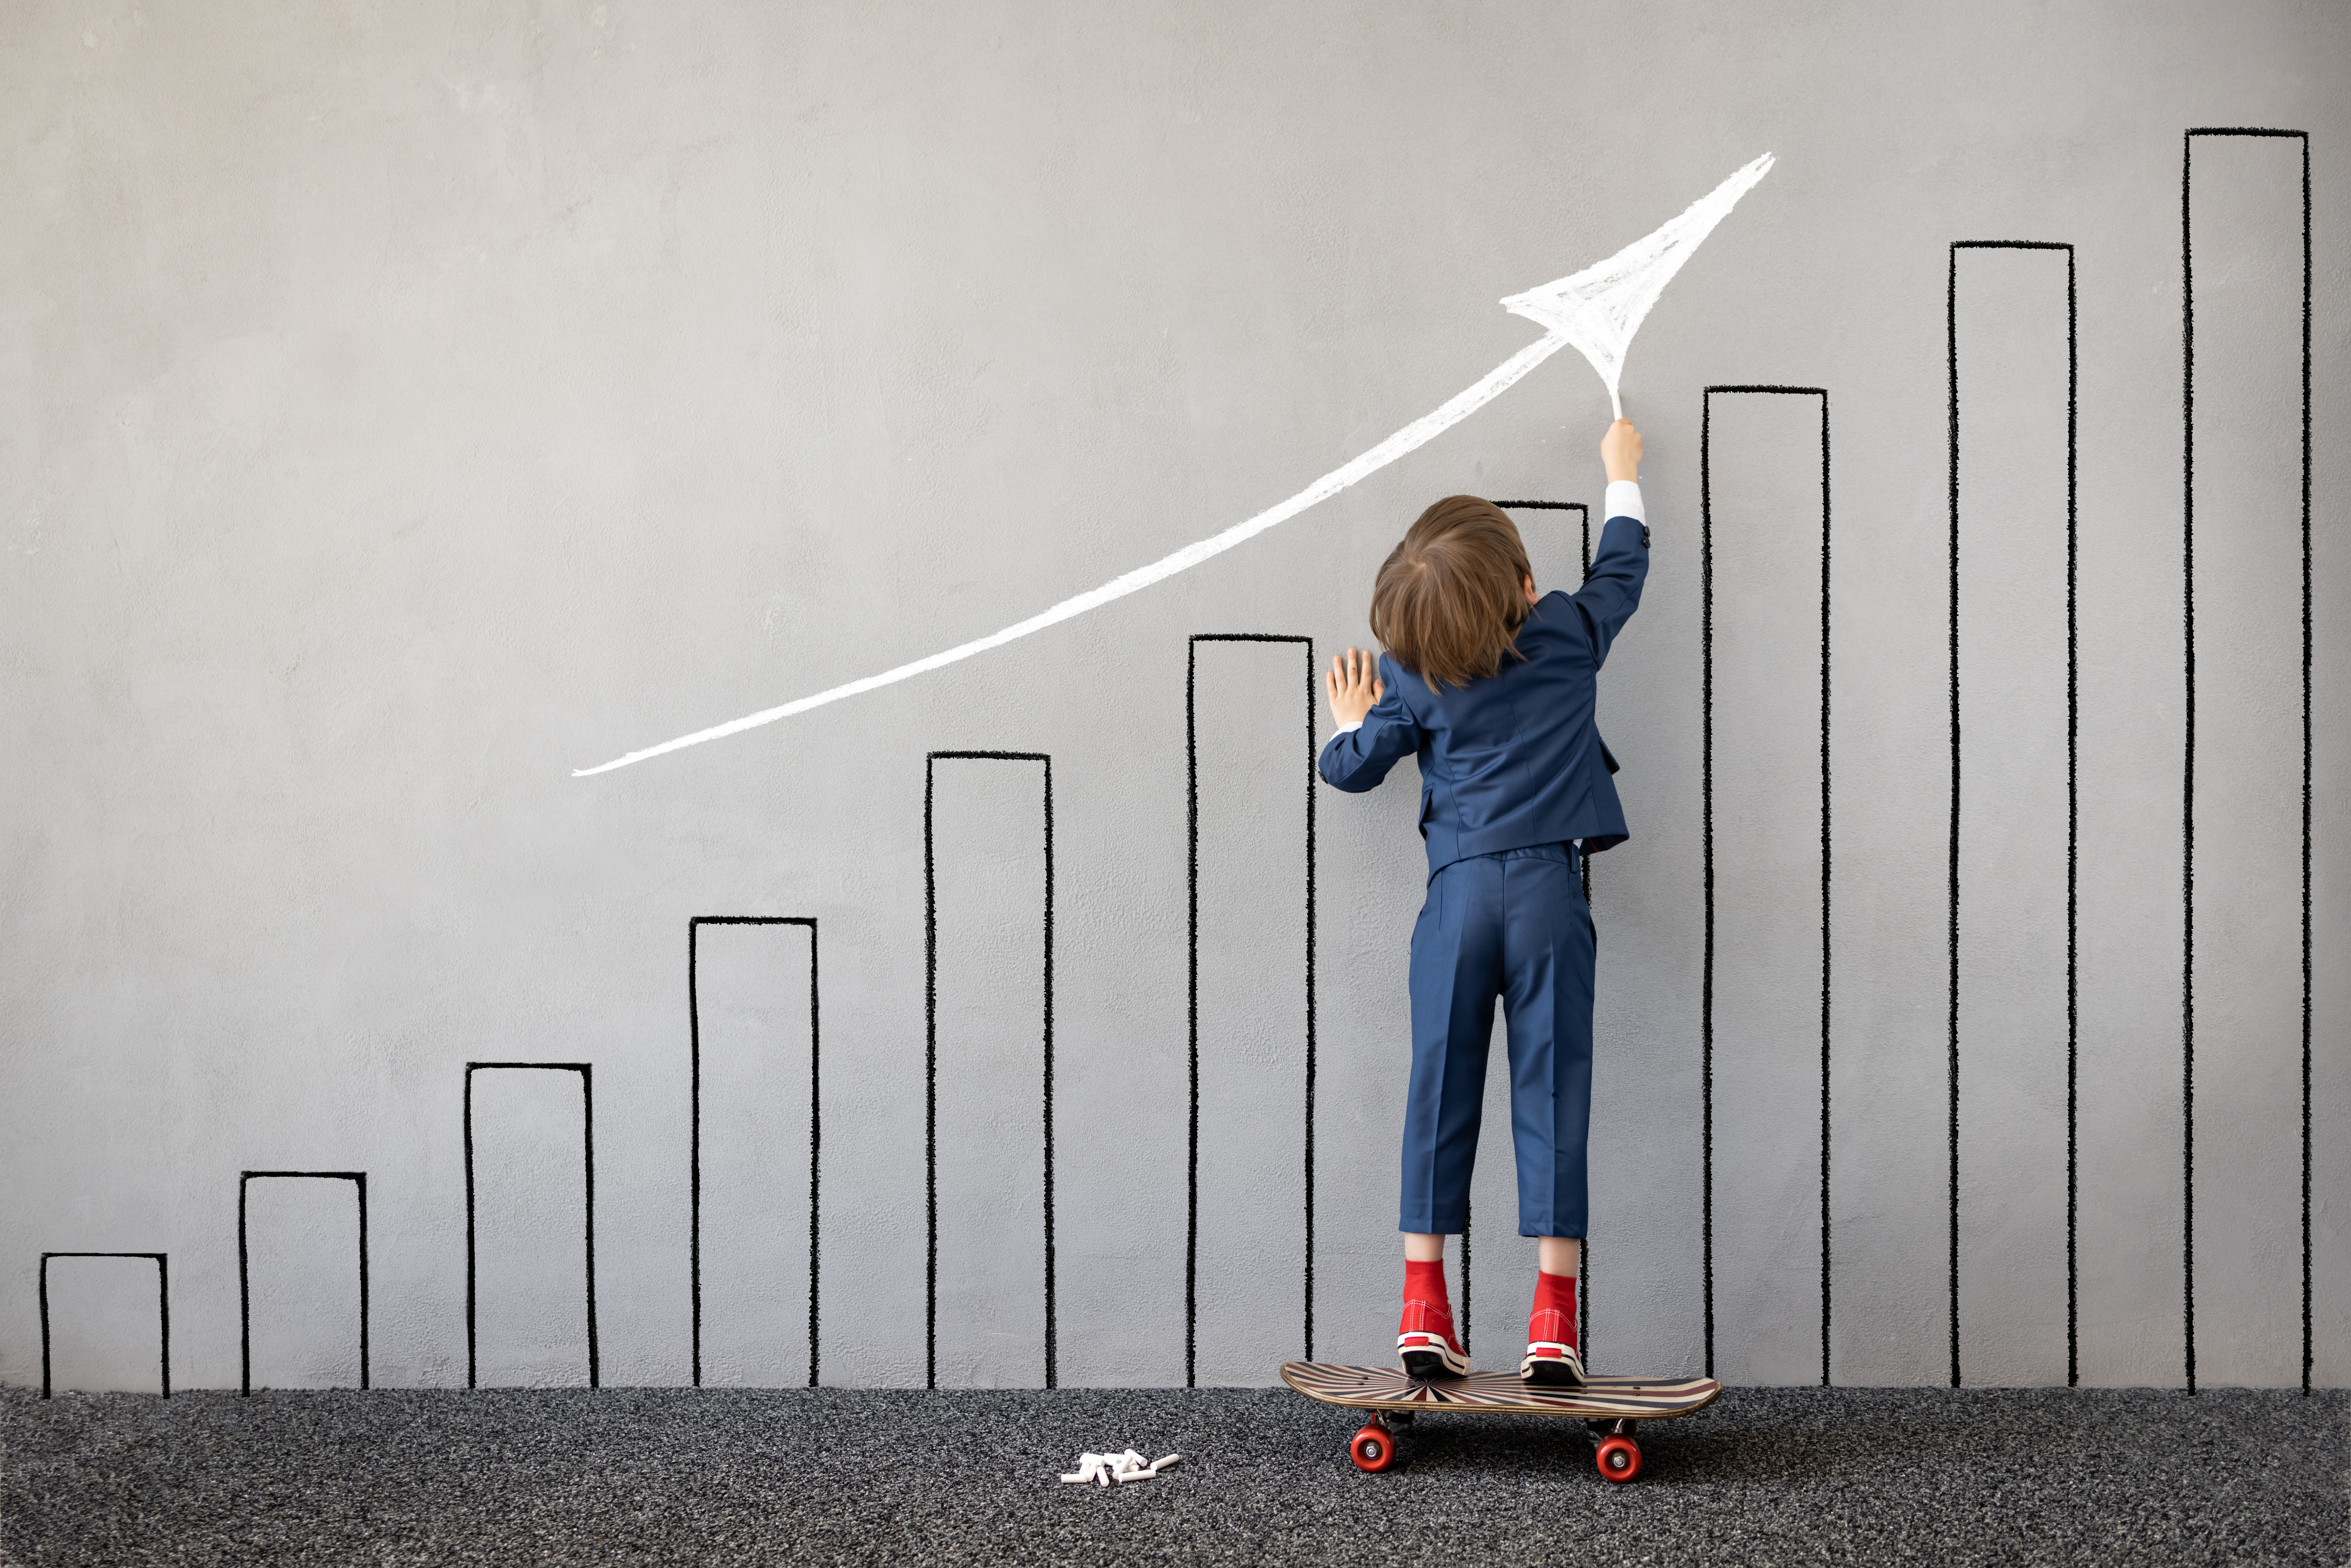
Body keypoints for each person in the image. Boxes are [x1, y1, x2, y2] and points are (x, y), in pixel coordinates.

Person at [1319, 416, 1648, 1386]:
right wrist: (1619, 477)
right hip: (1549, 896)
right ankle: (1552, 1321)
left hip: (1456, 902)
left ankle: (1424, 1306)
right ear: (1518, 588)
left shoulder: (1410, 677)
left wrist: (1347, 722)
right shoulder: (1565, 633)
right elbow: (1621, 571)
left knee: (1439, 1086)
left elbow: (1350, 772)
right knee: (1553, 1092)